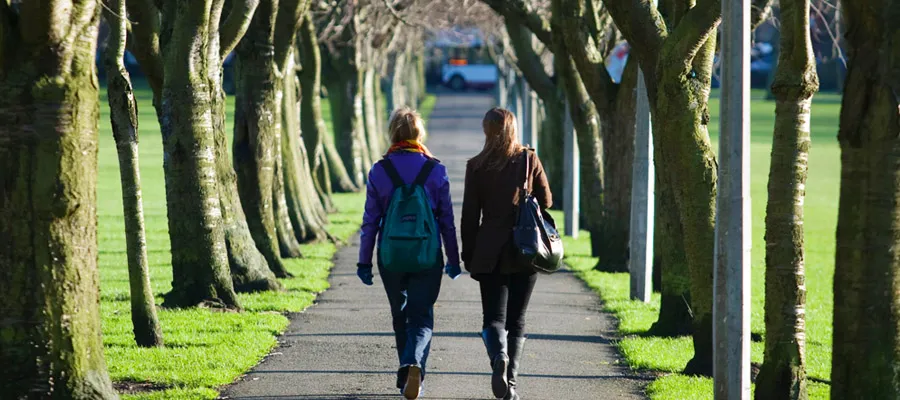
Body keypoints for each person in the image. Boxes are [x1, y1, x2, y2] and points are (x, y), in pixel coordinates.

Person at [356, 107, 462, 400]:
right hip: (427, 255)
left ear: (393, 133)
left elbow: (370, 221)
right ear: (419, 134)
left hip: (390, 256)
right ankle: (414, 364)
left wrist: (364, 262)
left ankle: (406, 372)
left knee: (399, 314)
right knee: (421, 316)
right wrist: (453, 259)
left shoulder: (380, 170)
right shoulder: (435, 170)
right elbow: (447, 222)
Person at [461, 107, 551, 400]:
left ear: (486, 130)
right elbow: (546, 200)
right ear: (513, 128)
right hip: (525, 248)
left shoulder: (476, 166)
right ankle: (511, 385)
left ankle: (498, 354)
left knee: (493, 319)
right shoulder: (528, 159)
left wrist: (468, 252)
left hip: (489, 250)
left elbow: (469, 216)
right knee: (518, 320)